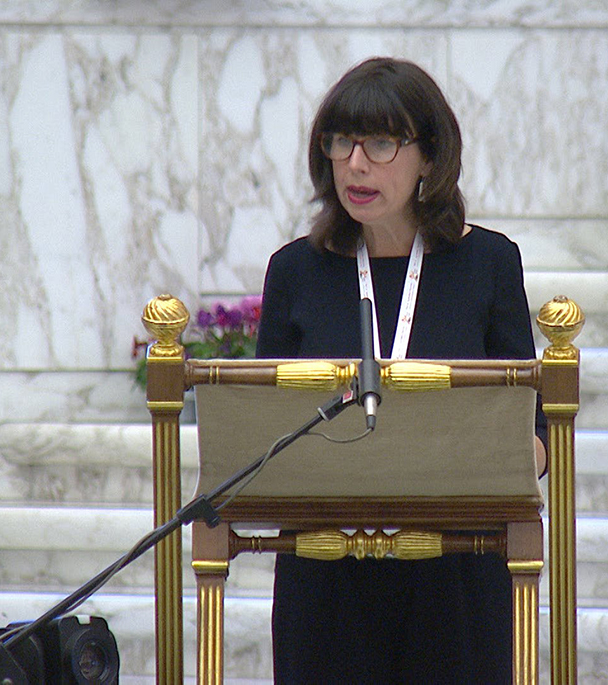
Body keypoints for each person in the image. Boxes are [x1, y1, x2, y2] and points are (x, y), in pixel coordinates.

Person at [255, 56, 548, 684]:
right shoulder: (295, 271)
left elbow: (539, 435)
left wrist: (470, 455)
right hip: (326, 571)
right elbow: (265, 432)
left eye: (382, 143)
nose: (355, 164)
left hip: (457, 569)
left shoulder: (489, 263)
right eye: (341, 142)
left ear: (431, 157)